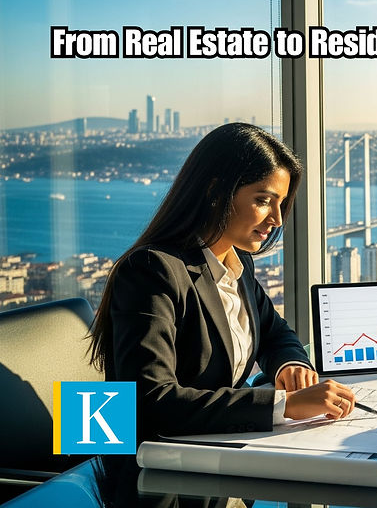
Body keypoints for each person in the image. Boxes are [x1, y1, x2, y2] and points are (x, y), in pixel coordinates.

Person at [88, 123, 356, 439]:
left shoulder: (235, 262)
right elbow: (150, 401)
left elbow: (273, 332)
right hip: (154, 470)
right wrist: (285, 405)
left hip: (213, 452)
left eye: (281, 203)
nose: (277, 219)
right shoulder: (150, 271)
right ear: (216, 192)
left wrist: (290, 367)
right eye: (263, 200)